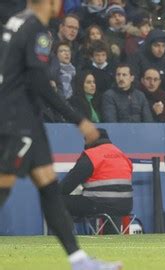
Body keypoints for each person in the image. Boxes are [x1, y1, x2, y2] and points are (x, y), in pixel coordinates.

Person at [0, 1, 121, 269]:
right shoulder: (38, 30)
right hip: (15, 120)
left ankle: (79, 261)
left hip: (25, 119)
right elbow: (38, 82)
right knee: (3, 187)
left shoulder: (16, 22)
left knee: (50, 189)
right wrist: (79, 120)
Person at [60, 128, 133, 219]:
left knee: (56, 201)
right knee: (112, 203)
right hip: (126, 206)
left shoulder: (91, 156)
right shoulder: (122, 155)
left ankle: (65, 233)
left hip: (100, 205)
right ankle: (112, 233)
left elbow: (66, 186)